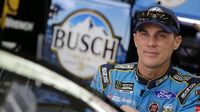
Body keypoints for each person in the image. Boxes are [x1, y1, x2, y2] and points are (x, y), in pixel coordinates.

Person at [90, 5, 200, 112]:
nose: (151, 43)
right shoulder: (107, 76)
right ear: (135, 39)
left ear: (177, 42)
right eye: (144, 34)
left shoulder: (192, 89)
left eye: (161, 35)